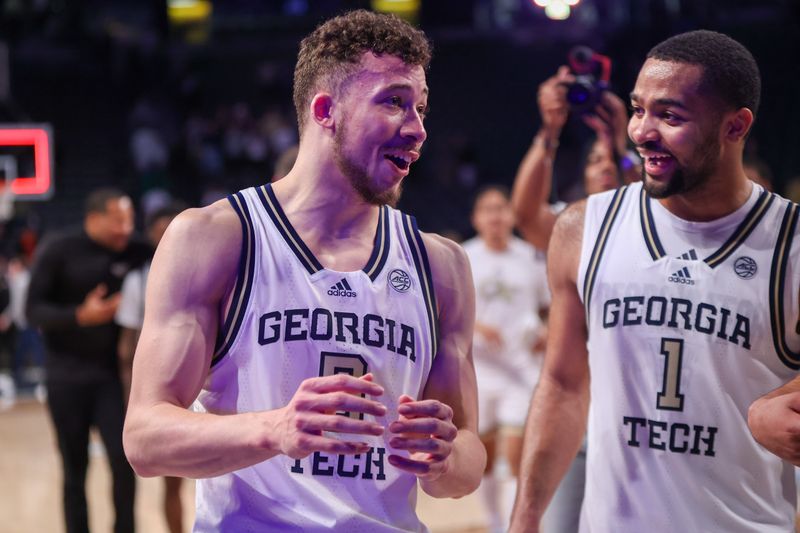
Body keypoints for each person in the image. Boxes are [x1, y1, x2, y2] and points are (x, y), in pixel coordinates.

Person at [123, 10, 485, 532]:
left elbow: (467, 465)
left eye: (422, 108)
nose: (418, 129)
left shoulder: (440, 265)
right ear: (325, 109)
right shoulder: (218, 238)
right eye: (395, 102)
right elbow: (144, 439)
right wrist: (275, 428)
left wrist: (444, 455)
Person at [510, 30, 800, 532]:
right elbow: (561, 383)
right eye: (638, 109)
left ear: (736, 126)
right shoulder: (584, 229)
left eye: (670, 116)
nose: (642, 131)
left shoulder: (790, 243)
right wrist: (525, 517)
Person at [26, 188, 150, 533]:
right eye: (118, 221)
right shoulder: (58, 250)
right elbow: (32, 310)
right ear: (94, 219)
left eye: (129, 221)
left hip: (112, 377)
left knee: (124, 463)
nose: (126, 228)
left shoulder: (137, 250)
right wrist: (81, 315)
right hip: (65, 377)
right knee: (74, 468)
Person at [462, 185, 549, 533]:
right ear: (476, 218)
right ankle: (494, 522)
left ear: (512, 215)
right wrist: (478, 326)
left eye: (502, 208)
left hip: (522, 372)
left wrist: (544, 330)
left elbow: (550, 308)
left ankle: (510, 528)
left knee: (515, 460)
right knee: (483, 459)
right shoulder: (464, 256)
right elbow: (445, 312)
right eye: (488, 209)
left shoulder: (530, 257)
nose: (496, 216)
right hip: (480, 373)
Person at [511, 65, 640, 252]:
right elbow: (525, 216)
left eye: (613, 159)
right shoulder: (574, 224)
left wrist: (622, 150)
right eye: (595, 160)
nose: (606, 166)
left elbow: (656, 197)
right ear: (584, 177)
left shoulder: (645, 216)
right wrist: (549, 130)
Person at [115, 202, 185, 533]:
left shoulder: (220, 269)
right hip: (165, 391)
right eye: (161, 236)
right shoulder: (137, 280)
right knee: (170, 482)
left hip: (209, 387)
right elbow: (127, 349)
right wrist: (134, 400)